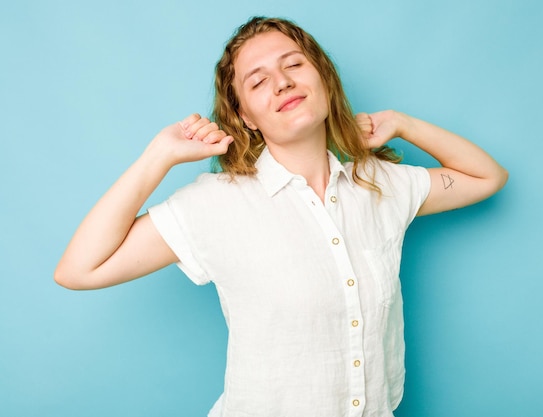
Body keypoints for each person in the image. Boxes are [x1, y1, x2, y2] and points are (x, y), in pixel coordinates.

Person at [55, 16, 508, 417]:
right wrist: (157, 156)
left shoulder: (381, 186)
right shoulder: (216, 204)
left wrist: (404, 123)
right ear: (244, 117)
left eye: (293, 65)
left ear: (323, 79)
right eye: (257, 81)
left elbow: (487, 177)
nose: (282, 82)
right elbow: (78, 270)